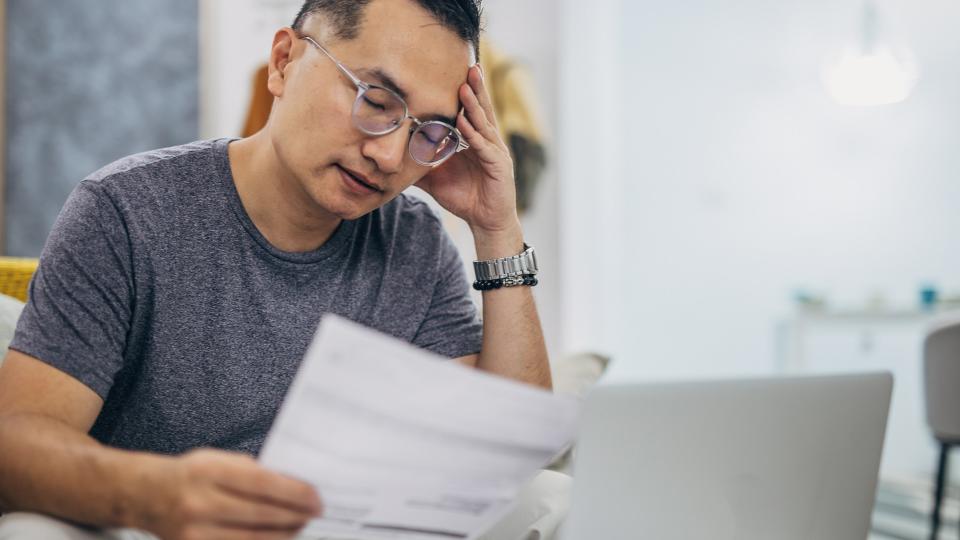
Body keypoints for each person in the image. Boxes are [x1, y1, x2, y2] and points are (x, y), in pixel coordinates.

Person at [0, 0, 557, 538]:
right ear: (284, 61)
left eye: (428, 132)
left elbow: (510, 454)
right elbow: (16, 441)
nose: (389, 157)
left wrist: (496, 229)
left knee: (550, 499)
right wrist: (160, 495)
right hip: (151, 525)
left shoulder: (413, 242)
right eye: (378, 98)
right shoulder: (125, 210)